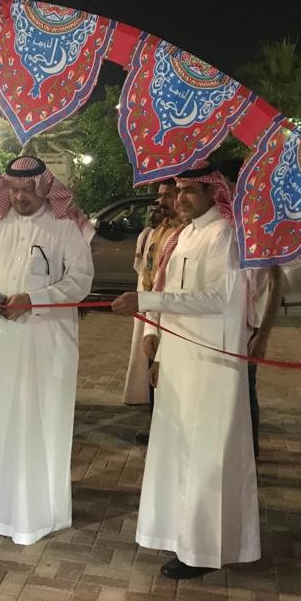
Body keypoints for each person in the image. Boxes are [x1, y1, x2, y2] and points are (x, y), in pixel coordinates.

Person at [112, 160, 259, 580]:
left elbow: (216, 299)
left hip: (211, 363)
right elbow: (168, 290)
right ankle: (179, 535)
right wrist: (155, 340)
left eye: (190, 190)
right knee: (178, 450)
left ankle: (202, 549)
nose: (180, 198)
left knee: (206, 454)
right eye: (178, 191)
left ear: (214, 193)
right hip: (179, 359)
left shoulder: (224, 235)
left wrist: (145, 304)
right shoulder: (184, 235)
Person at [0, 156, 94, 545]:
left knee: (38, 418)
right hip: (0, 339)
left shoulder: (66, 227)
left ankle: (35, 512)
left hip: (46, 340)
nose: (19, 197)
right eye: (13, 190)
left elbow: (81, 281)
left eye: (27, 190)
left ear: (44, 188)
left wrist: (33, 299)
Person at [127, 179, 179, 447]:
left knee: (169, 376)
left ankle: (168, 430)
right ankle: (157, 426)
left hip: (173, 314)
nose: (162, 201)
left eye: (168, 195)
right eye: (161, 196)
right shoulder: (160, 230)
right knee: (153, 372)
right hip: (153, 309)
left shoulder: (185, 234)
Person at [245, 266, 283, 459]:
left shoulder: (263, 246)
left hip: (250, 327)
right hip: (226, 325)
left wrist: (263, 336)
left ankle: (250, 455)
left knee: (246, 390)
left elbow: (277, 283)